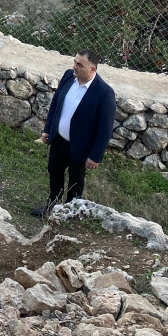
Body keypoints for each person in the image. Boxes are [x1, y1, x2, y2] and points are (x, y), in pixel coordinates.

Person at [34, 50, 116, 216]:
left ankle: (68, 215)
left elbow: (105, 128)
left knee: (75, 182)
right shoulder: (68, 76)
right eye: (75, 62)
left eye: (80, 64)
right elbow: (56, 104)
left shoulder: (104, 93)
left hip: (81, 147)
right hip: (59, 140)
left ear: (92, 70)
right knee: (55, 173)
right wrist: (48, 129)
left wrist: (96, 155)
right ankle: (51, 207)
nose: (74, 67)